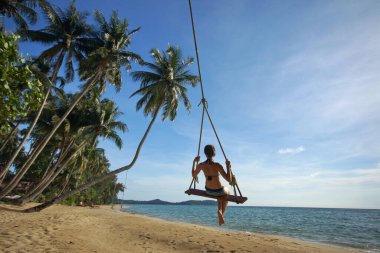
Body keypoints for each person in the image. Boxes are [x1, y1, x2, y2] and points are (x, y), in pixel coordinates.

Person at [191, 144, 232, 225]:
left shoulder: (201, 165)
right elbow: (229, 180)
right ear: (214, 153)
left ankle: (220, 210)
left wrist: (194, 162)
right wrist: (228, 167)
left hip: (208, 190)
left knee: (219, 196)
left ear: (205, 154)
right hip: (219, 191)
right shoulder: (218, 165)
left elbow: (193, 175)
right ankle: (221, 214)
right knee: (227, 191)